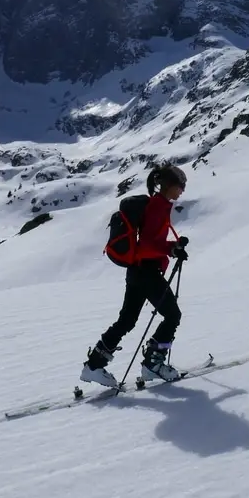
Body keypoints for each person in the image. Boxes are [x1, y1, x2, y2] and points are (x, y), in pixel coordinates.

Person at [80, 163, 189, 387]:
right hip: (147, 271)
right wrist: (171, 249)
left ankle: (94, 366)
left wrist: (172, 247)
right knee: (172, 315)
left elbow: (149, 243)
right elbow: (149, 245)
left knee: (127, 320)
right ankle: (153, 365)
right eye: (180, 186)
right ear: (169, 186)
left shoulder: (156, 205)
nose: (182, 191)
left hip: (137, 271)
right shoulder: (158, 207)